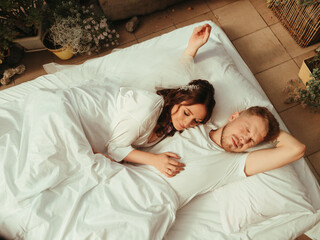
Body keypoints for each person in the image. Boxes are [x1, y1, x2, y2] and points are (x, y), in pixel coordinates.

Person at [84, 24, 215, 178]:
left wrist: (192, 48)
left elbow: (181, 72)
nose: (187, 124)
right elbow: (115, 146)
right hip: (88, 118)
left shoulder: (169, 123)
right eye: (186, 113)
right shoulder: (148, 107)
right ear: (178, 99)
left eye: (196, 121)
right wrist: (154, 160)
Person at [139, 106, 306, 207]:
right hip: (130, 178)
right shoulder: (193, 125)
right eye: (246, 130)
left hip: (154, 206)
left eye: (252, 140)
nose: (244, 139)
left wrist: (270, 131)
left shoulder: (235, 163)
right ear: (234, 116)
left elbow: (296, 149)